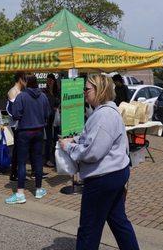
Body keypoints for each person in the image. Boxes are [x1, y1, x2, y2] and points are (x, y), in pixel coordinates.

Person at [60, 74, 139, 250]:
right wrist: (76, 139)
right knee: (119, 222)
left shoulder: (103, 116)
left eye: (87, 89)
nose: (84, 92)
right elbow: (94, 139)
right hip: (115, 174)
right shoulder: (108, 112)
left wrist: (68, 147)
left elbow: (92, 152)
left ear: (100, 90)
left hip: (103, 178)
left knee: (89, 229)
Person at [5, 75, 51, 205]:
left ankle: (20, 193)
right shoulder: (43, 96)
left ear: (26, 83)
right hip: (39, 131)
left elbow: (15, 114)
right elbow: (48, 113)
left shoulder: (22, 96)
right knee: (38, 160)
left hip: (24, 132)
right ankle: (38, 189)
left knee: (22, 162)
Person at [7, 72, 27, 181]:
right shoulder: (13, 91)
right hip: (16, 125)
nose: (26, 82)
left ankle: (15, 172)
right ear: (20, 79)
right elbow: (14, 111)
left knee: (19, 149)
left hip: (22, 124)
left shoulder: (21, 92)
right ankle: (14, 173)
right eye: (25, 79)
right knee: (18, 149)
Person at [42, 73, 60, 168]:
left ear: (54, 81)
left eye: (50, 80)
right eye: (47, 80)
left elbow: (60, 102)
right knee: (48, 139)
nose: (49, 82)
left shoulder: (58, 91)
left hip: (56, 118)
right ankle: (47, 159)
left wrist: (57, 107)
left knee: (56, 138)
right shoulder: (45, 91)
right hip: (48, 118)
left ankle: (55, 156)